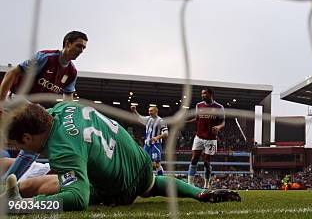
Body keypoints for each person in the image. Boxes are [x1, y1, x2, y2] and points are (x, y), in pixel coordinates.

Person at [2, 102, 240, 210]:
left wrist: (31, 207)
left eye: (15, 143)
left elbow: (77, 199)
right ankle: (199, 193)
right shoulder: (64, 108)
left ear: (26, 138)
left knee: (34, 184)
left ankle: (14, 202)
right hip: (140, 163)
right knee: (151, 185)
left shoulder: (64, 150)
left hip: (118, 190)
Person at [0, 31, 88, 182]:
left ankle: (9, 182)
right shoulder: (45, 58)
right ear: (67, 43)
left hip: (32, 109)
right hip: (16, 102)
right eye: (78, 46)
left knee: (34, 146)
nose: (80, 51)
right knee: (32, 144)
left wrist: (69, 119)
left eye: (83, 48)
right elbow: (12, 74)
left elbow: (68, 100)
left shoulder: (71, 72)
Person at [188, 87, 224, 188]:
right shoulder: (198, 105)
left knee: (206, 162)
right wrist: (185, 122)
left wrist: (218, 127)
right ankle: (190, 184)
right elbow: (196, 119)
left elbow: (223, 122)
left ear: (210, 94)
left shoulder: (219, 107)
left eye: (204, 94)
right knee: (194, 159)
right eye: (202, 94)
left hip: (211, 139)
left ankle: (207, 183)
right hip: (199, 137)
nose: (202, 95)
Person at [131, 105, 169, 176]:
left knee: (156, 164)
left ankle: (161, 177)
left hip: (156, 144)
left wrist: (157, 137)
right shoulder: (148, 119)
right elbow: (139, 117)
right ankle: (147, 177)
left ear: (156, 111)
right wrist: (134, 111)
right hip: (147, 144)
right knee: (144, 161)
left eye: (151, 111)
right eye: (149, 111)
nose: (149, 112)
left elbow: (166, 133)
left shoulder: (161, 121)